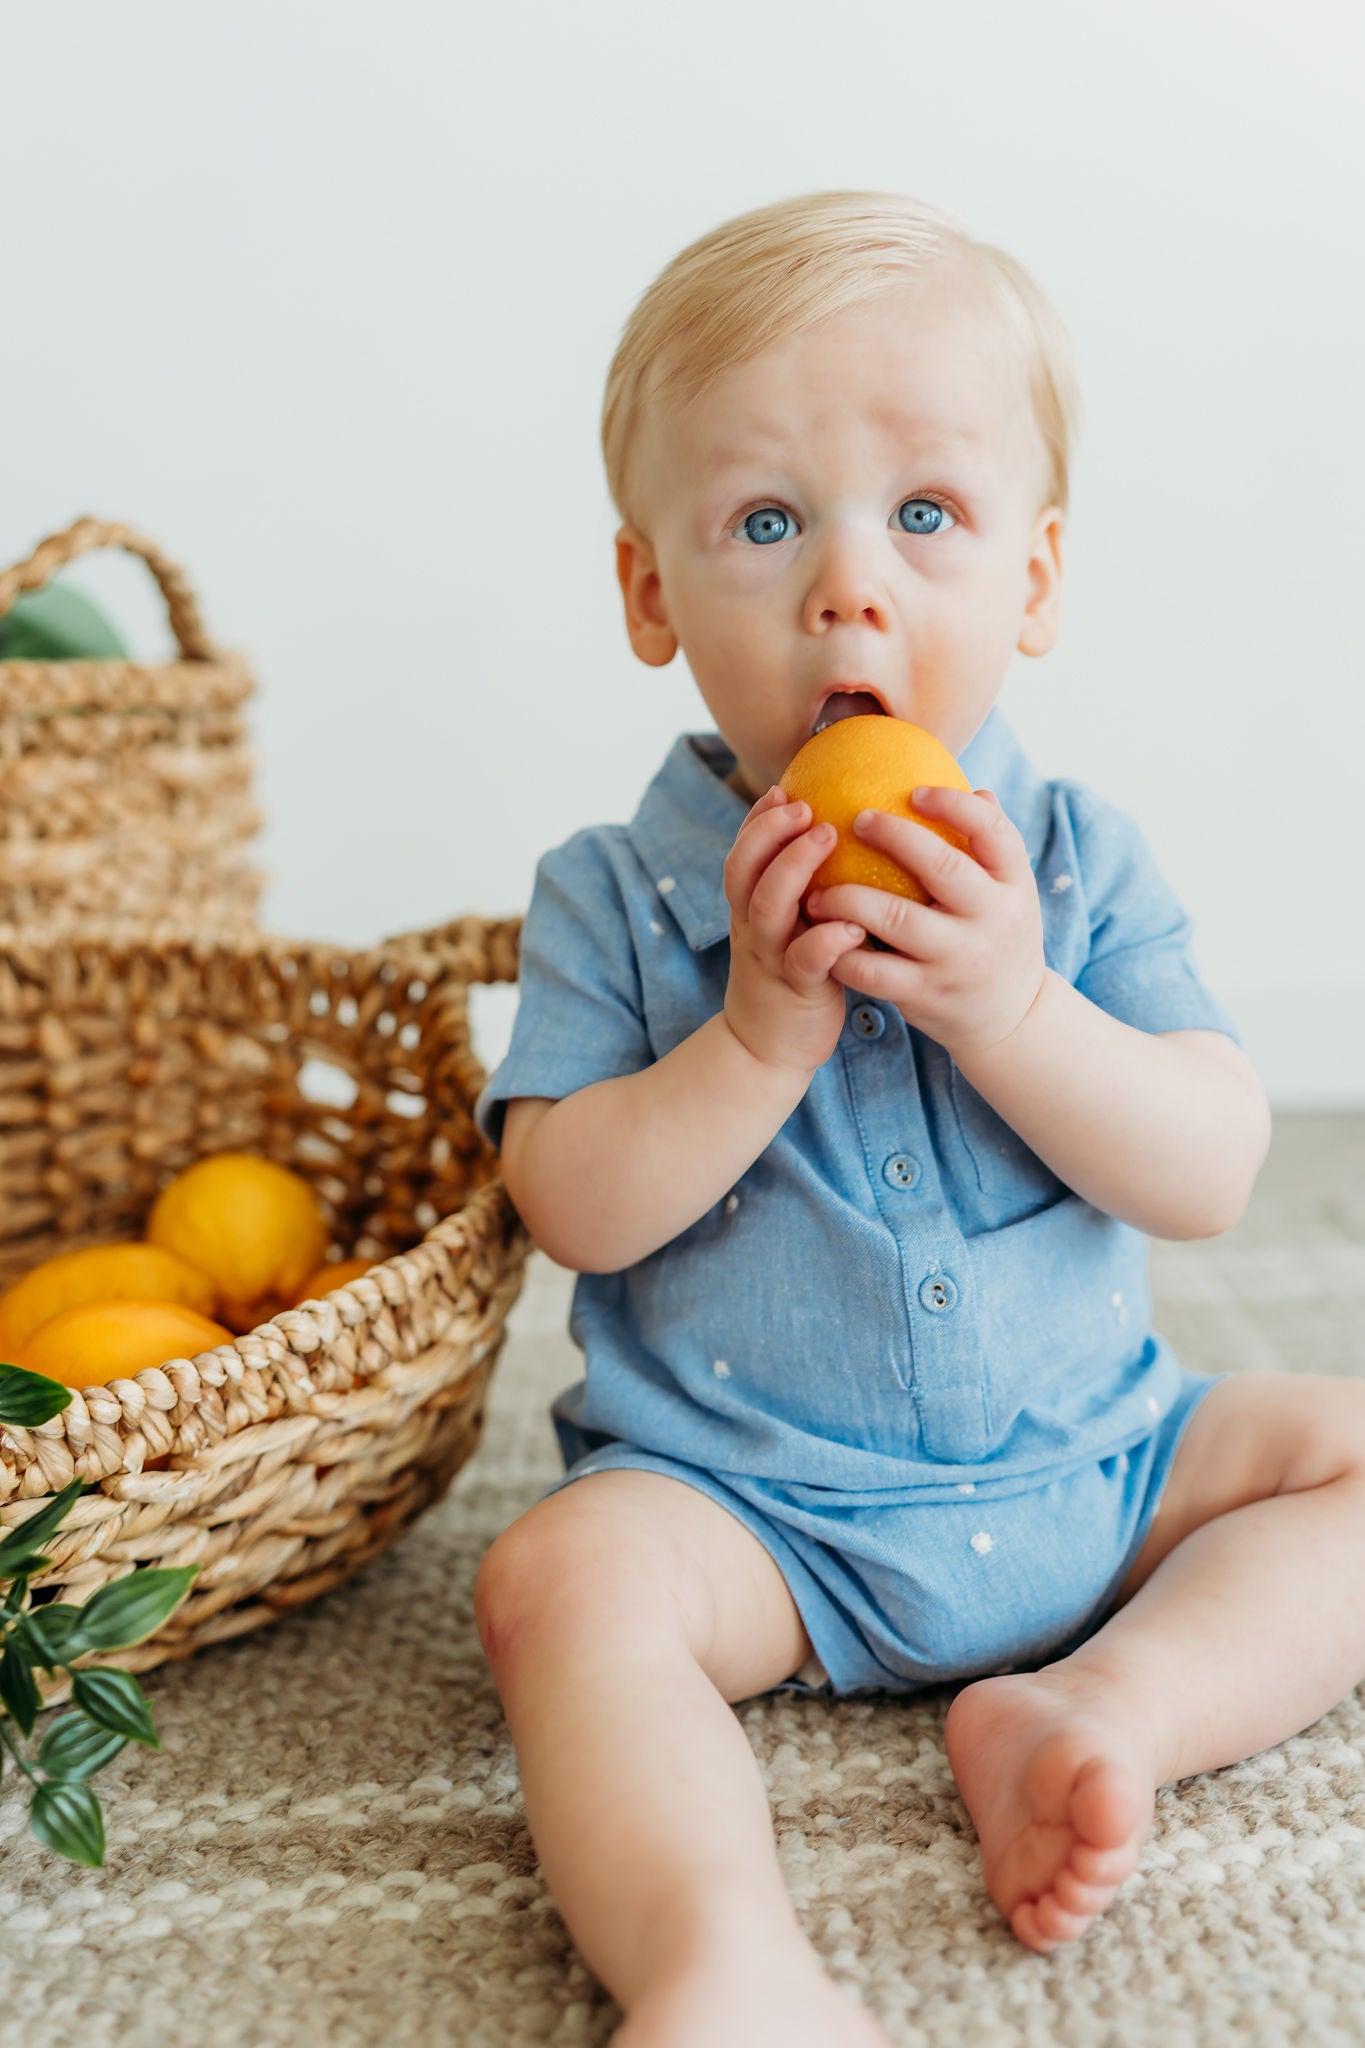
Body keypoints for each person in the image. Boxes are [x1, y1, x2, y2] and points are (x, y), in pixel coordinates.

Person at [470, 190, 1347, 2048]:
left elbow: (1206, 1169)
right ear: (649, 593)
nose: (847, 587)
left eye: (925, 517)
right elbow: (568, 1204)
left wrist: (1015, 1007)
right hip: (750, 1517)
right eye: (766, 521)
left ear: (1031, 579)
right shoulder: (614, 897)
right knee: (556, 1586)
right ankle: (721, 1963)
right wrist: (754, 1040)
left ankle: (1105, 1710)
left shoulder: (1080, 864)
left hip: (1100, 1470)